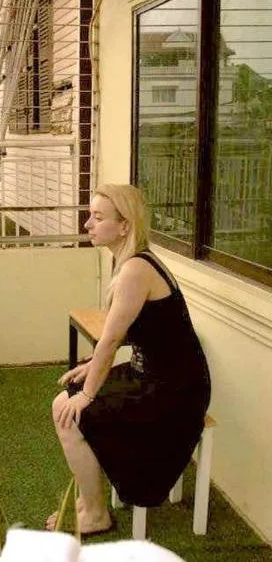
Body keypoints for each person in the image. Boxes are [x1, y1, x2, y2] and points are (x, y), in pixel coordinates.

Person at [48, 184, 211, 535]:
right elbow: (126, 333)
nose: (88, 224)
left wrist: (88, 394)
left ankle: (95, 513)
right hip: (151, 374)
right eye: (90, 215)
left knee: (70, 411)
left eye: (98, 217)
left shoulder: (136, 269)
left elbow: (109, 341)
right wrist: (91, 367)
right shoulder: (130, 260)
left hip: (174, 390)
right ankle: (88, 501)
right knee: (66, 402)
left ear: (124, 225)